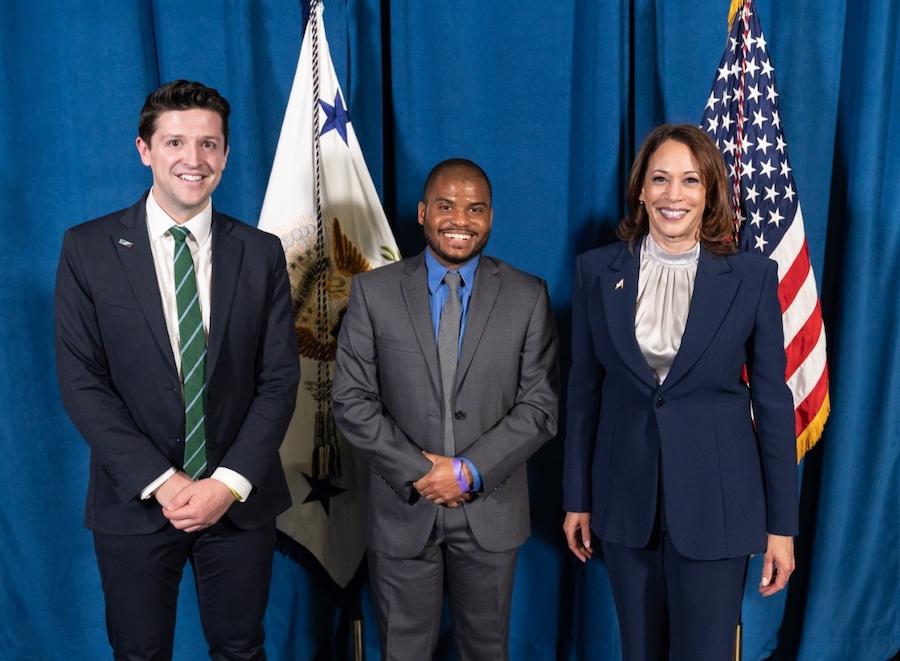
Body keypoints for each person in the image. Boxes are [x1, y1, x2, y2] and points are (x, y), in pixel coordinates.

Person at [55, 80, 299, 660]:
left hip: (237, 502)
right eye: (175, 143)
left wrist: (227, 483)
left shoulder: (260, 252)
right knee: (139, 653)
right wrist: (166, 483)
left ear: (226, 154)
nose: (194, 160)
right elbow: (82, 383)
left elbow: (278, 380)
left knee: (241, 649)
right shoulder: (88, 249)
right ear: (145, 149)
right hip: (134, 499)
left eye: (209, 144)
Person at [562, 124, 798, 660]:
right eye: (660, 179)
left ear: (710, 193)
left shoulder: (753, 277)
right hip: (625, 502)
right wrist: (577, 497)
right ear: (640, 190)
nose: (674, 195)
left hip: (719, 505)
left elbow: (774, 405)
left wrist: (782, 528)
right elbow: (582, 393)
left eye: (690, 181)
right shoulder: (596, 271)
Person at [332, 158, 560, 660]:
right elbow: (351, 401)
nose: (461, 219)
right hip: (402, 509)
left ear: (491, 217)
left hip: (491, 509)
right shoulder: (373, 293)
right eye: (446, 205)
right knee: (403, 652)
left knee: (487, 651)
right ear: (421, 212)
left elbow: (540, 406)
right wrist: (420, 471)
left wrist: (468, 471)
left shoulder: (527, 295)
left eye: (475, 208)